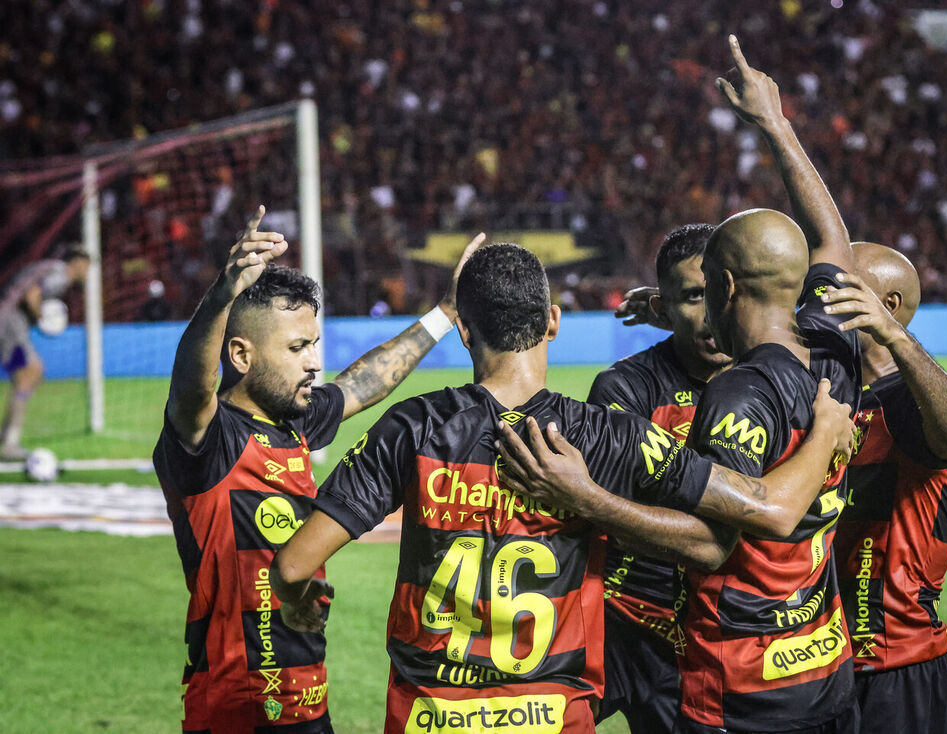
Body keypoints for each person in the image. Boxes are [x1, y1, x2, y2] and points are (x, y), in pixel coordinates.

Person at [269, 243, 858, 733]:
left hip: (429, 718)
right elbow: (716, 540)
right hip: (553, 716)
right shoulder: (605, 435)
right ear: (553, 322)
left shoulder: (414, 427)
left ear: (465, 331)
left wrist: (301, 607)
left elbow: (293, 567)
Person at [499, 35, 864, 733]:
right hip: (821, 669)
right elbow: (833, 246)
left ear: (725, 286)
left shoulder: (737, 395)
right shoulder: (834, 339)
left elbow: (732, 533)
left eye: (707, 294)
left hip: (737, 681)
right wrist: (776, 126)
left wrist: (583, 496)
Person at [152, 205, 485, 734]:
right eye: (296, 347)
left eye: (314, 345)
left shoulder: (295, 423)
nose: (313, 362)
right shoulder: (209, 443)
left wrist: (446, 311)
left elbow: (365, 382)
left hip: (306, 697)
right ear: (240, 354)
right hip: (238, 706)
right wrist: (222, 294)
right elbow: (192, 388)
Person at [826, 243, 947, 734]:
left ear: (886, 304)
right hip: (821, 667)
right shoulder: (835, 399)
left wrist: (895, 338)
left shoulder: (909, 402)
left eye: (840, 283)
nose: (822, 296)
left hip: (898, 666)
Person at [587, 223, 731, 732]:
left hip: (710, 632)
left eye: (719, 292)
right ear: (662, 310)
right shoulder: (625, 387)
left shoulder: (772, 381)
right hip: (619, 617)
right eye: (693, 297)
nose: (711, 314)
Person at [0, 246, 91, 459]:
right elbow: (32, 294)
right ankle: (9, 444)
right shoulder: (60, 274)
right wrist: (43, 317)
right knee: (31, 371)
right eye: (87, 266)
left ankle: (7, 436)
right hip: (10, 323)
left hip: (9, 321)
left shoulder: (49, 267)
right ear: (77, 262)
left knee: (29, 375)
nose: (88, 272)